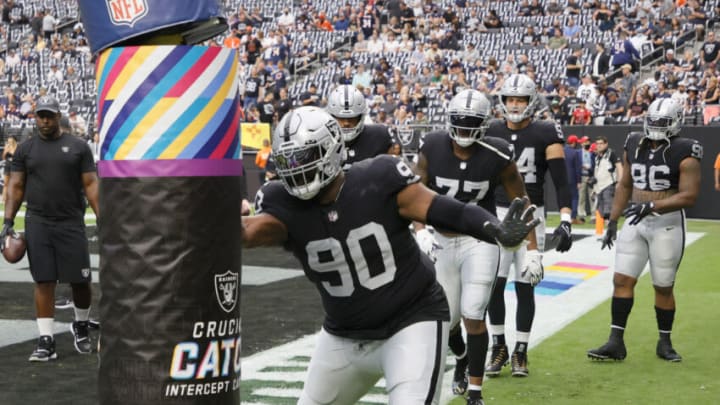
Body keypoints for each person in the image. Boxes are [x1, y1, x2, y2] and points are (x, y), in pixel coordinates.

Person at [242, 106, 540, 405]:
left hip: (411, 321)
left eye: (303, 157)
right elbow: (248, 233)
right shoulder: (282, 202)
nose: (295, 168)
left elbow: (448, 210)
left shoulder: (378, 178)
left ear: (330, 149)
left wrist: (493, 229)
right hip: (342, 335)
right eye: (287, 160)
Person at [414, 90, 541, 404]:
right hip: (441, 239)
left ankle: (475, 392)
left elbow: (521, 203)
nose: (466, 130)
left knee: (473, 313)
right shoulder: (432, 146)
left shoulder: (498, 154)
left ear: (485, 124)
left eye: (473, 124)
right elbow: (413, 192)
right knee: (448, 319)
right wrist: (419, 230)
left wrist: (533, 249)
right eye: (461, 123)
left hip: (480, 240)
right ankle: (461, 359)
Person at [588, 98, 703, 362]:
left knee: (663, 285)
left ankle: (664, 343)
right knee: (621, 280)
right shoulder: (633, 142)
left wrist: (652, 205)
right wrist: (613, 220)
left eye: (661, 123)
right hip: (635, 220)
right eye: (652, 121)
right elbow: (625, 185)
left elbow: (689, 196)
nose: (655, 127)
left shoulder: (686, 150)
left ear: (675, 123)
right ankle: (615, 342)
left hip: (667, 222)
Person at [485, 73, 574, 378]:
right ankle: (498, 346)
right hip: (495, 213)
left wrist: (565, 218)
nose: (514, 104)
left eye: (520, 99)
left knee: (525, 286)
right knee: (493, 286)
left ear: (531, 101)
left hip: (530, 215)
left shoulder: (546, 132)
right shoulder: (491, 128)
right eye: (510, 98)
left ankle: (521, 350)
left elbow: (562, 180)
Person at [1, 96, 99, 361]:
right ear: (35, 117)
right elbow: (16, 187)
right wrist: (7, 221)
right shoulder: (25, 150)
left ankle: (80, 323)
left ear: (58, 116)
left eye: (49, 115)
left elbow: (91, 183)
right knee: (43, 280)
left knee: (80, 279)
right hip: (38, 222)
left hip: (70, 221)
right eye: (41, 115)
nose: (45, 120)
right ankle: (47, 340)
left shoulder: (78, 147)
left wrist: (104, 216)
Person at [325, 84, 401, 170]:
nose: (346, 123)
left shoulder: (380, 135)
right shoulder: (321, 139)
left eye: (351, 118)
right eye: (341, 118)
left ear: (361, 117)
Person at [589, 136, 621, 226]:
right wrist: (594, 189)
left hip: (609, 184)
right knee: (600, 210)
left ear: (606, 144)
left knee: (608, 208)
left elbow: (619, 167)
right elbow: (597, 173)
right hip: (599, 186)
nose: (598, 146)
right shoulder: (597, 157)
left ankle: (611, 228)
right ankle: (607, 231)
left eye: (601, 143)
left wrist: (619, 181)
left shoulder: (611, 154)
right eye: (597, 144)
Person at [564, 135, 583, 224]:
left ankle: (564, 217)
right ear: (574, 143)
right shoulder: (575, 153)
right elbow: (578, 168)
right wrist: (579, 181)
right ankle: (573, 218)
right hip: (572, 179)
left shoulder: (562, 151)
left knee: (565, 198)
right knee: (575, 198)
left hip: (562, 178)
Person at [2, 135, 18, 205]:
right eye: (8, 140)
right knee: (6, 183)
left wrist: (11, 151)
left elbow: (17, 156)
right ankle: (4, 199)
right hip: (7, 166)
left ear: (14, 140)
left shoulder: (17, 147)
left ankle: (14, 198)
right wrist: (6, 151)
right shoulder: (7, 147)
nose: (9, 141)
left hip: (15, 166)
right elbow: (3, 157)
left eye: (10, 140)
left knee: (15, 183)